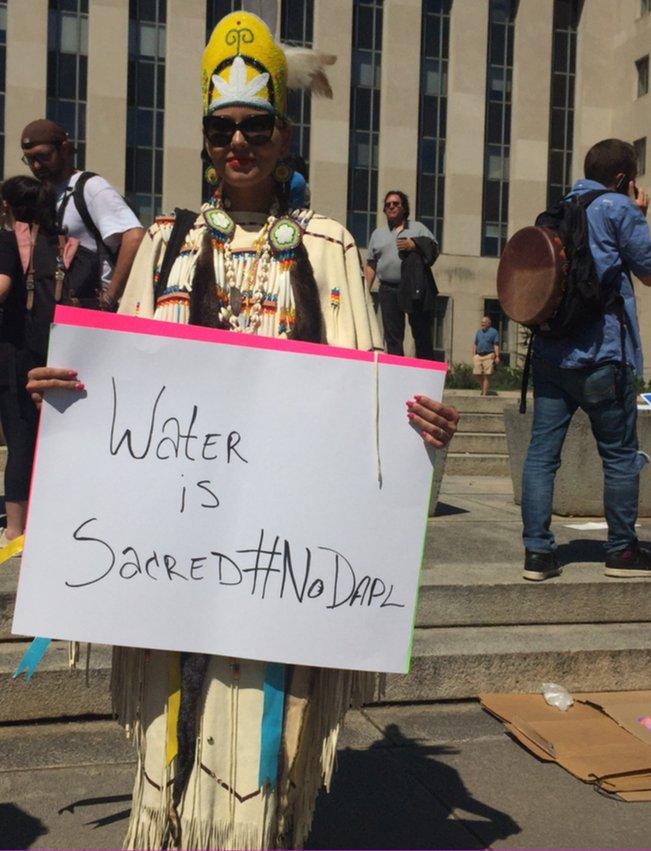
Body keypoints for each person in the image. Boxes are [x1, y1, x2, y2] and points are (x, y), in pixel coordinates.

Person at [26, 12, 459, 850]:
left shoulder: (330, 247)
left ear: (284, 135)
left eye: (255, 128)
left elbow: (368, 401)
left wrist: (420, 432)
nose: (238, 144)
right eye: (221, 129)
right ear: (204, 138)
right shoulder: (163, 243)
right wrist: (68, 393)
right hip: (175, 546)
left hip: (283, 555)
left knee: (264, 727)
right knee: (173, 720)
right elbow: (126, 393)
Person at [521, 138, 651, 582]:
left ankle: (538, 554)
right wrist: (639, 214)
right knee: (618, 456)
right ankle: (621, 552)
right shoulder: (617, 208)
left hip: (552, 355)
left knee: (541, 455)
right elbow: (648, 270)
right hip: (603, 356)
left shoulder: (559, 207)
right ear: (622, 179)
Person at [19, 118, 144, 311]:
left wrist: (110, 298)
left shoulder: (90, 187)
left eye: (42, 156)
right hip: (51, 313)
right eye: (29, 159)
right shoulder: (44, 192)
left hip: (87, 312)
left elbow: (134, 237)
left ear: (64, 149)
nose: (36, 165)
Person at [0, 176, 61, 550]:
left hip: (13, 351)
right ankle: (29, 522)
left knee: (20, 436)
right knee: (31, 436)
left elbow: (4, 284)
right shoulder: (59, 242)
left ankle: (13, 530)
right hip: (41, 347)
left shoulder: (9, 239)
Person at [364, 191, 439, 359]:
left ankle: (424, 373)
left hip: (414, 288)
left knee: (421, 333)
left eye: (396, 203)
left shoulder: (418, 228)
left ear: (404, 208)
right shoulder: (377, 234)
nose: (391, 206)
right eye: (388, 204)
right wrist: (364, 291)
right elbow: (371, 264)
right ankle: (397, 375)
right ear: (384, 210)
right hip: (388, 289)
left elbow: (434, 250)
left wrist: (415, 244)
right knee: (393, 337)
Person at [472, 316, 500, 395]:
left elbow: (496, 345)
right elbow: (475, 344)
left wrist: (497, 356)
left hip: (489, 355)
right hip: (479, 355)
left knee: (487, 375)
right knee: (476, 373)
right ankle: (484, 386)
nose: (482, 324)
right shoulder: (479, 332)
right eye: (482, 322)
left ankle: (484, 394)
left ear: (489, 323)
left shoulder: (494, 332)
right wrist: (474, 355)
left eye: (484, 322)